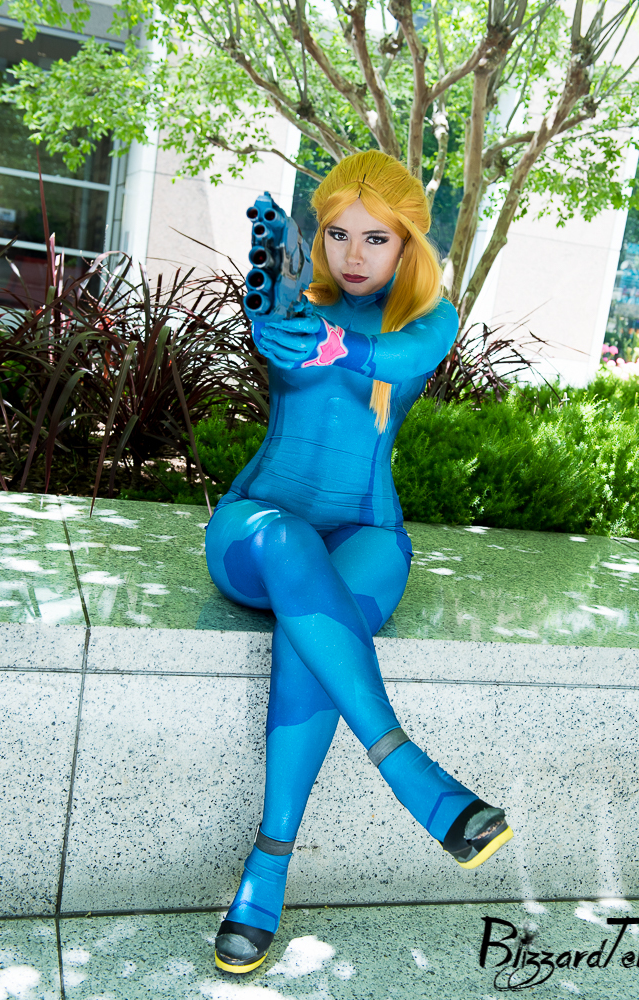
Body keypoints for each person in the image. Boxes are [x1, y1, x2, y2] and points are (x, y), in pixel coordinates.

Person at [205, 149, 512, 975]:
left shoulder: (430, 319)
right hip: (255, 531)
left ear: (407, 243)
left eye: (376, 238)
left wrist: (332, 341)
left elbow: (396, 360)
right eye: (337, 233)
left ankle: (269, 863)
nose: (352, 254)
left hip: (369, 533)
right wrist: (277, 313)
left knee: (314, 633)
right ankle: (411, 773)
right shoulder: (296, 304)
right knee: (291, 545)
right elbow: (283, 332)